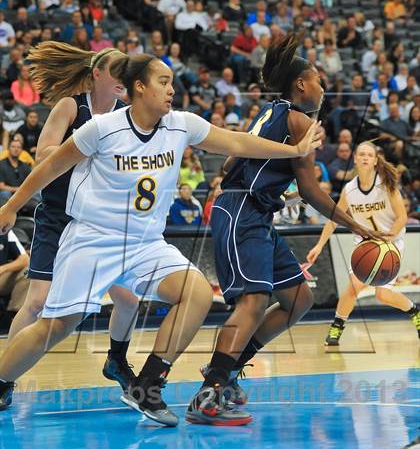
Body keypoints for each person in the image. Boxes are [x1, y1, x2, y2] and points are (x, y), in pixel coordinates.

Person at [0, 52, 324, 423]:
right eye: (163, 82)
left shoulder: (180, 124)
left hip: (145, 244)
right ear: (139, 87)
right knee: (56, 325)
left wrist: (295, 150)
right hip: (94, 238)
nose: (172, 90)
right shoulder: (102, 128)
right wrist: (10, 207)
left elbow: (237, 143)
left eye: (172, 82)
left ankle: (147, 386)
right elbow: (49, 167)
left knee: (197, 293)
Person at [188, 34, 385, 425]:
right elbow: (312, 190)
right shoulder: (299, 119)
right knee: (254, 302)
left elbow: (234, 161)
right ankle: (208, 394)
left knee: (298, 299)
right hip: (244, 210)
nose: (323, 89)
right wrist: (356, 226)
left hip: (250, 209)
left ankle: (225, 373)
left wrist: (270, 189)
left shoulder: (269, 111)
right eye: (319, 82)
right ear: (301, 85)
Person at [2, 42, 140, 408]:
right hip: (58, 216)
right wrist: (86, 146)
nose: (123, 81)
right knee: (37, 303)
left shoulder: (125, 116)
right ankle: (4, 377)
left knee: (128, 299)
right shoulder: (71, 106)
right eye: (117, 74)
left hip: (99, 222)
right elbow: (44, 154)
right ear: (96, 75)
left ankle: (116, 360)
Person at [307, 141, 420, 345]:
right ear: (355, 159)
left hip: (389, 244)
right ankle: (337, 328)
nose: (366, 157)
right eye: (362, 154)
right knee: (353, 287)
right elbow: (333, 218)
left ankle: (414, 310)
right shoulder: (349, 190)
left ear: (376, 161)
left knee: (383, 295)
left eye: (370, 154)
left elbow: (402, 217)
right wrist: (319, 245)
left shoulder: (385, 185)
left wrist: (388, 238)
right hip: (365, 245)